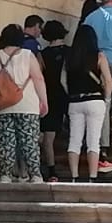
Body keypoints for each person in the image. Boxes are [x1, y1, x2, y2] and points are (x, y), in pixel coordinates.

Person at [0, 24, 47, 183]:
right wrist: (44, 100)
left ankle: (5, 174)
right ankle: (35, 174)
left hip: (1, 107)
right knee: (29, 141)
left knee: (5, 143)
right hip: (27, 105)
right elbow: (38, 78)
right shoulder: (27, 55)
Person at [63, 23, 111, 182]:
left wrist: (70, 92)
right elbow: (108, 81)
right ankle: (92, 177)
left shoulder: (69, 57)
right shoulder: (99, 56)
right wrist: (108, 99)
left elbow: (62, 80)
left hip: (75, 101)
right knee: (93, 141)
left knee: (74, 140)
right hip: (95, 100)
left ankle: (74, 177)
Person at [37, 21, 69, 182]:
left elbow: (39, 75)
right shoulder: (70, 52)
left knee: (48, 138)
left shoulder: (42, 54)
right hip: (67, 96)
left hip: (49, 96)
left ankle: (51, 171)